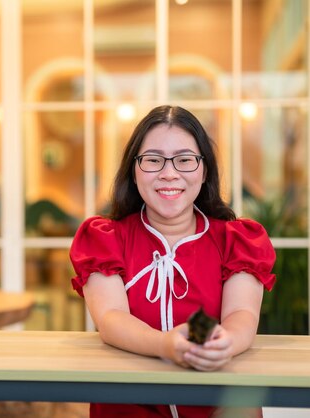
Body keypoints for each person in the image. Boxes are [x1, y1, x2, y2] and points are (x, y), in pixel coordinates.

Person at [69, 105, 276, 418]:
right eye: (153, 160)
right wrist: (165, 344)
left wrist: (226, 343)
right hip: (126, 405)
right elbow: (110, 318)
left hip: (216, 403)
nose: (169, 173)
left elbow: (241, 313)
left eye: (184, 160)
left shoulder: (237, 240)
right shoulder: (105, 238)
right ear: (134, 171)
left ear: (204, 170)